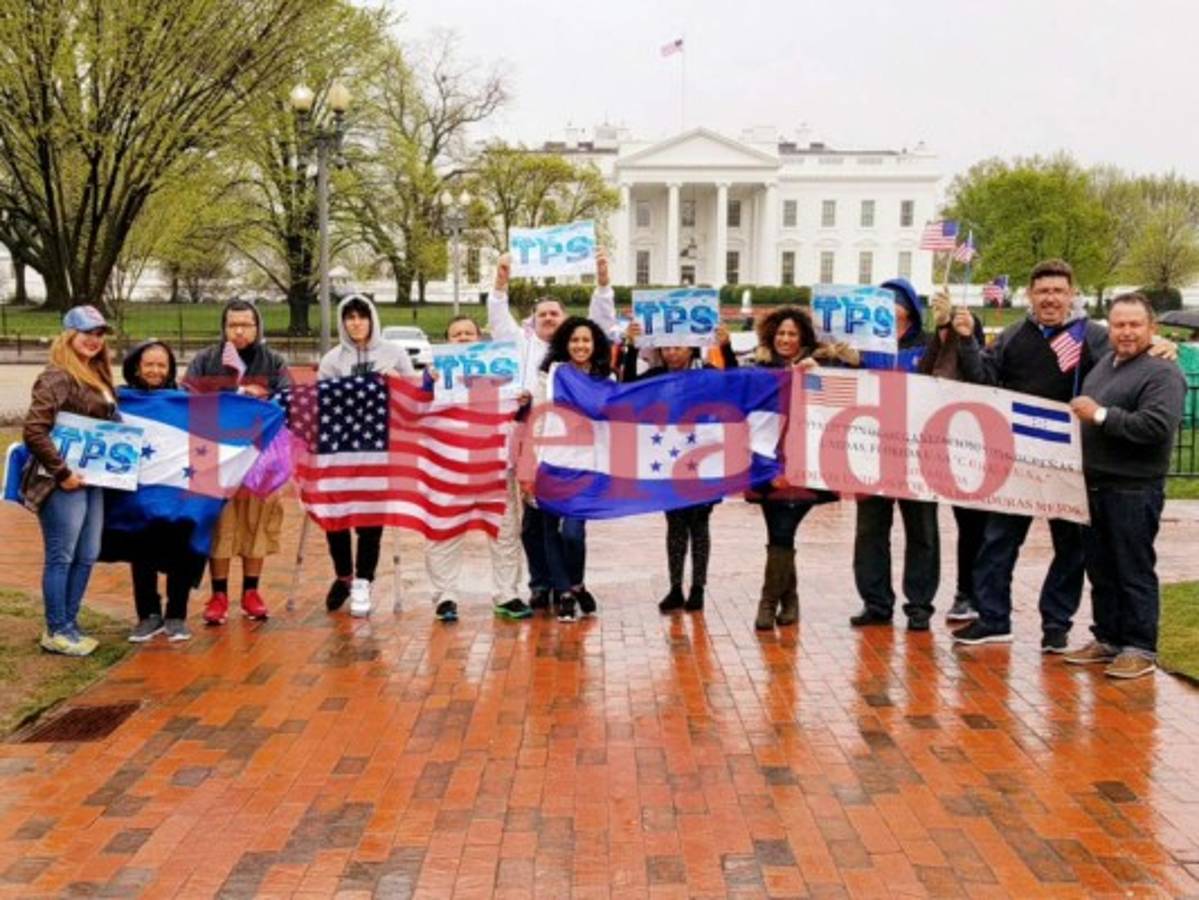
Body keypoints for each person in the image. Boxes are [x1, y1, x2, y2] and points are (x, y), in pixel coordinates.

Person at [949, 259, 1173, 649]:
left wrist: (1160, 344)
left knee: (1071, 548)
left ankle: (1056, 624)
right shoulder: (1014, 335)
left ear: (1072, 295)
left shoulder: (1095, 335)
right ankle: (993, 618)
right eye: (1042, 292)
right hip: (1018, 455)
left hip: (1072, 460)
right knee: (999, 539)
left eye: (1058, 291)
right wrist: (968, 341)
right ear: (1030, 296)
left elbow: (1130, 352)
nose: (1050, 299)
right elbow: (984, 379)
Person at [1063, 293, 1186, 678]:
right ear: (1109, 328)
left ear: (1153, 329)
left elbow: (1156, 426)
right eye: (1119, 325)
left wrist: (1099, 414)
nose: (1126, 332)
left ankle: (1140, 646)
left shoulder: (1163, 372)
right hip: (1095, 485)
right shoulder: (1106, 365)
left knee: (1132, 568)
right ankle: (1110, 637)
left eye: (1135, 325)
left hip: (1133, 488)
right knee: (1102, 569)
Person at [487, 248, 615, 614]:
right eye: (541, 314)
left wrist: (603, 276)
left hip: (574, 451)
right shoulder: (522, 344)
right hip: (529, 441)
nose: (548, 318)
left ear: (564, 320)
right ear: (533, 320)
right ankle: (543, 584)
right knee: (535, 525)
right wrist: (502, 277)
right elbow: (497, 314)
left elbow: (602, 318)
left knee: (570, 526)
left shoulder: (577, 351)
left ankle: (569, 585)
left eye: (554, 313)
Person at [183, 299, 290, 625]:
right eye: (233, 325)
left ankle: (251, 592)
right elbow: (186, 397)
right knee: (221, 525)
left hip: (262, 456)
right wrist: (224, 397)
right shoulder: (205, 360)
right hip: (216, 455)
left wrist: (265, 396)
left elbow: (290, 402)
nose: (240, 331)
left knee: (256, 522)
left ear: (258, 327)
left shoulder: (273, 361)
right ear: (224, 327)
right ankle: (218, 595)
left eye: (246, 325)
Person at [620, 320, 738, 614]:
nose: (673, 353)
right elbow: (627, 387)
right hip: (668, 459)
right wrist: (630, 350)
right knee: (674, 523)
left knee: (699, 524)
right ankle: (675, 587)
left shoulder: (707, 374)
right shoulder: (657, 376)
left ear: (691, 348)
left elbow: (736, 384)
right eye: (668, 347)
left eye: (679, 347)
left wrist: (726, 347)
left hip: (702, 459)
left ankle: (698, 587)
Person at [21, 305, 118, 656]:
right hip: (61, 480)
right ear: (69, 335)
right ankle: (56, 628)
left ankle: (70, 622)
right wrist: (62, 473)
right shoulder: (58, 376)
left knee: (87, 554)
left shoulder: (96, 375)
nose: (94, 340)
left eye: (99, 334)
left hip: (92, 479)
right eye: (87, 333)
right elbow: (34, 430)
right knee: (61, 555)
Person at [423, 314, 529, 624]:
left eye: (469, 332)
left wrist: (522, 401)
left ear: (479, 338)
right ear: (447, 340)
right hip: (449, 469)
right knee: (443, 535)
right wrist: (428, 383)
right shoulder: (435, 375)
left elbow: (519, 414)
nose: (463, 338)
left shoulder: (502, 374)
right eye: (456, 334)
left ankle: (507, 593)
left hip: (493, 468)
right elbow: (415, 405)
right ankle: (444, 596)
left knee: (505, 533)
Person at [847, 278, 941, 632]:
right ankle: (876, 602)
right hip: (871, 453)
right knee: (870, 531)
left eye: (895, 302)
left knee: (922, 533)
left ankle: (919, 605)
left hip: (920, 456)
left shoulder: (928, 345)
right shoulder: (862, 347)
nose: (888, 309)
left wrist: (951, 330)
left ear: (910, 309)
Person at [746, 306, 845, 631]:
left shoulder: (820, 369)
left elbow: (834, 411)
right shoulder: (760, 370)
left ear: (802, 338)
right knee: (780, 533)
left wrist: (818, 374)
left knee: (782, 531)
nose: (785, 339)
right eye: (780, 334)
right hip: (769, 465)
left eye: (792, 334)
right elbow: (751, 422)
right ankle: (789, 601)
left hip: (805, 466)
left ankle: (768, 603)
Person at [316, 294, 414, 618]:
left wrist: (397, 383)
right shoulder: (332, 360)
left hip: (379, 447)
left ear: (372, 319)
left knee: (371, 519)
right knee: (337, 516)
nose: (356, 323)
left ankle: (363, 581)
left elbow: (413, 399)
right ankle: (343, 574)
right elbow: (320, 403)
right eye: (350, 317)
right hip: (342, 449)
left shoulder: (394, 353)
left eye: (361, 316)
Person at [102, 340, 207, 643]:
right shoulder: (121, 400)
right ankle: (148, 615)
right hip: (139, 492)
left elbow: (210, 431)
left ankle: (177, 615)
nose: (155, 370)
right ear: (137, 366)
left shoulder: (185, 400)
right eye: (149, 364)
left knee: (181, 546)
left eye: (162, 365)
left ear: (171, 369)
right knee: (142, 549)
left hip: (178, 490)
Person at [532, 316, 613, 622]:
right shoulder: (551, 375)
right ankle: (565, 592)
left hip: (587, 465)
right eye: (575, 340)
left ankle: (576, 583)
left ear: (595, 345)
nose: (580, 346)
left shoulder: (607, 379)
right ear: (565, 344)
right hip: (552, 461)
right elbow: (538, 417)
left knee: (573, 532)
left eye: (586, 341)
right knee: (550, 529)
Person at [918, 292, 988, 624]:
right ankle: (968, 592)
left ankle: (986, 594)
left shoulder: (983, 355)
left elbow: (979, 376)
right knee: (970, 526)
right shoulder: (940, 354)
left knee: (989, 530)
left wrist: (960, 332)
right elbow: (927, 373)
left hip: (986, 445)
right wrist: (943, 328)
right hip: (955, 449)